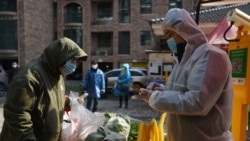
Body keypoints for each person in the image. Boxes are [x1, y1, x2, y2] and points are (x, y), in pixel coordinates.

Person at [140, 8, 234, 141]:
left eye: (170, 34)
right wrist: (162, 91)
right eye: (166, 37)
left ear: (184, 30)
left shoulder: (211, 55)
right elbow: (183, 93)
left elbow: (197, 103)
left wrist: (155, 97)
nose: (169, 41)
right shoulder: (182, 62)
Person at [0, 37, 88, 141]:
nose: (74, 65)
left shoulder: (57, 75)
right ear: (59, 57)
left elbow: (47, 101)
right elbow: (17, 115)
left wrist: (69, 102)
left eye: (76, 61)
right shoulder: (29, 76)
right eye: (72, 60)